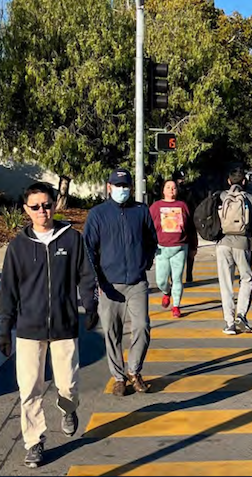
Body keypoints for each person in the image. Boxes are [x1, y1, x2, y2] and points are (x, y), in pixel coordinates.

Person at [0, 182, 98, 468]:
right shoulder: (18, 246)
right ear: (26, 210)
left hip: (64, 326)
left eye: (47, 204)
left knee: (68, 385)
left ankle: (68, 409)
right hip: (29, 330)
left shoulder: (71, 239)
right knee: (29, 389)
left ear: (55, 205)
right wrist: (5, 328)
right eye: (36, 206)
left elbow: (86, 275)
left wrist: (90, 307)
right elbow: (8, 291)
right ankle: (34, 443)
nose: (42, 210)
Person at [83, 168, 158, 397]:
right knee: (112, 332)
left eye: (125, 186)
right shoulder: (98, 214)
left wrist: (144, 262)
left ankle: (134, 371)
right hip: (109, 284)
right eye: (118, 186)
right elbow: (89, 249)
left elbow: (151, 240)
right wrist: (96, 278)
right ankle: (118, 377)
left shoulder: (141, 210)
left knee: (142, 327)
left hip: (137, 282)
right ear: (109, 187)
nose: (122, 190)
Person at [217, 166, 252, 335]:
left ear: (228, 181)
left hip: (223, 243)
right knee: (246, 278)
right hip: (243, 243)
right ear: (244, 182)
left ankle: (229, 322)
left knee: (226, 283)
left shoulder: (221, 196)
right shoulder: (250, 198)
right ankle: (241, 314)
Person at [149, 179, 197, 318]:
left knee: (177, 279)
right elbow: (148, 226)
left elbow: (191, 228)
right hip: (161, 249)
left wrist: (193, 246)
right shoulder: (156, 206)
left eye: (174, 187)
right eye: (168, 187)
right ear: (163, 190)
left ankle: (176, 306)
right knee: (161, 281)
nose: (171, 190)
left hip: (180, 248)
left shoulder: (182, 206)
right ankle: (166, 292)